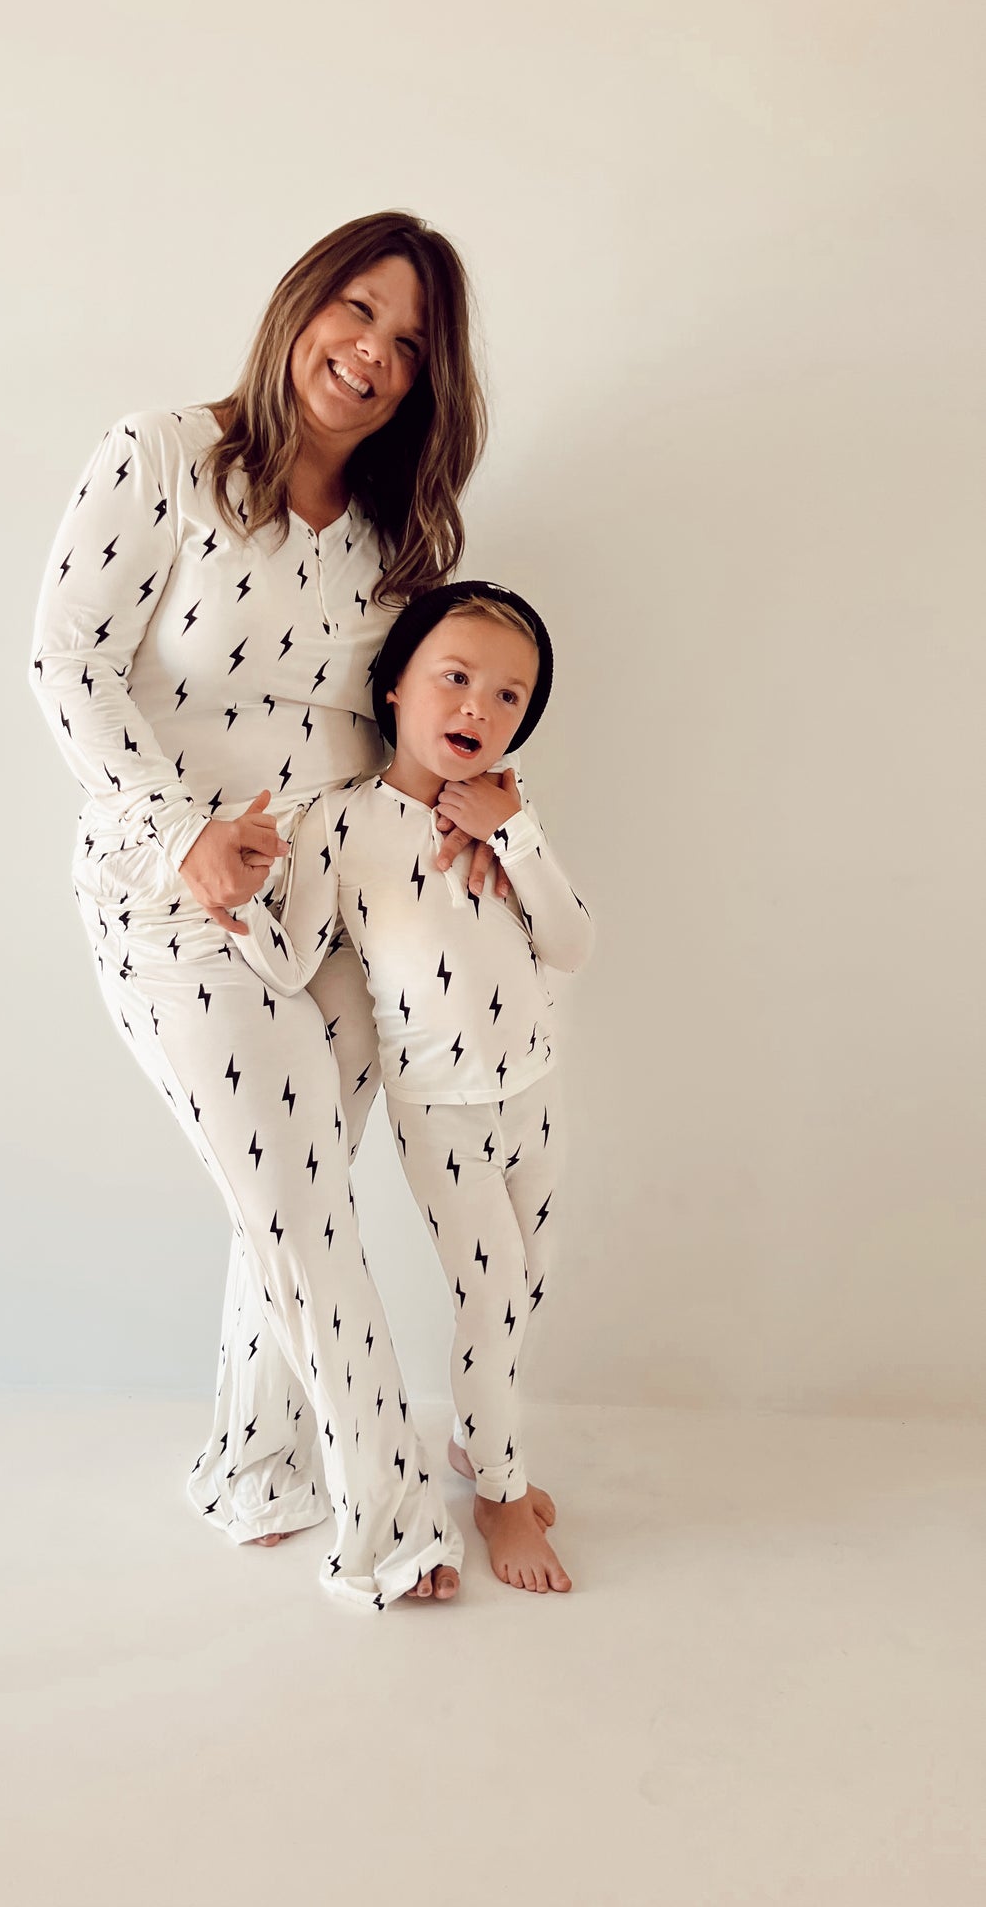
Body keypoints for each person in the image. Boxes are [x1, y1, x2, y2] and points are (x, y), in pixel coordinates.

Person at [31, 211, 500, 1609]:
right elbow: (67, 659)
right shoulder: (161, 456)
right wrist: (181, 835)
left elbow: (394, 719)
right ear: (303, 302)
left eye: (409, 345)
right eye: (357, 311)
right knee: (297, 1199)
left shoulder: (394, 530)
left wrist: (466, 812)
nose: (371, 352)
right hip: (170, 901)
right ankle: (389, 1512)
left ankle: (254, 1460)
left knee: (288, 1194)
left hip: (343, 901)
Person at [233, 582, 593, 1592]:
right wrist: (243, 899)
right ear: (392, 687)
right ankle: (499, 1496)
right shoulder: (339, 824)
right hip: (441, 1110)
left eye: (508, 696)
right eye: (456, 678)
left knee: (526, 1280)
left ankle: (483, 1441)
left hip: (534, 1091)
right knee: (487, 1295)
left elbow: (569, 943)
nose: (479, 708)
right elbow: (294, 955)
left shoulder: (508, 811)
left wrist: (510, 831)